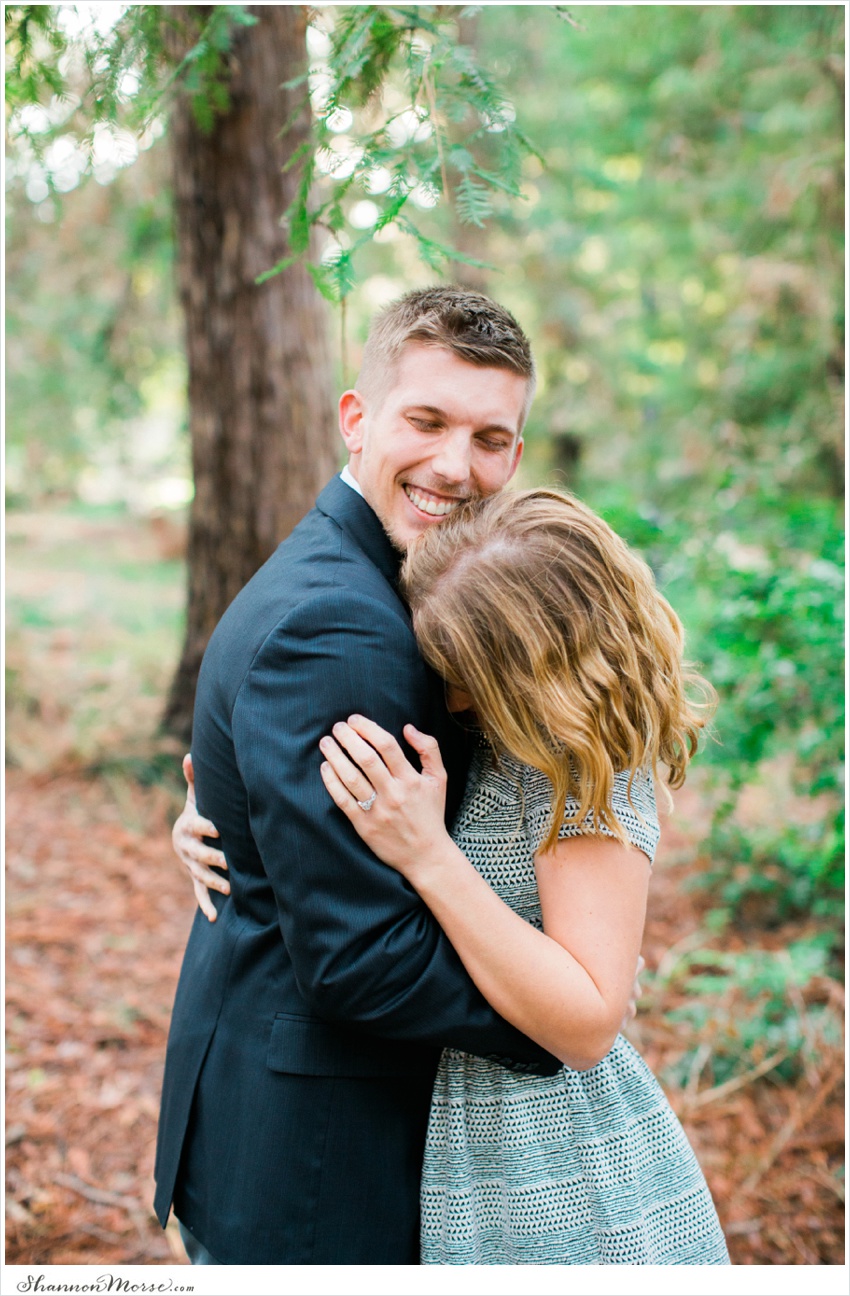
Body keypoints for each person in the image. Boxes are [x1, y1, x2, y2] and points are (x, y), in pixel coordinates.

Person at [154, 286, 566, 1266]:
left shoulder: (357, 576)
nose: (454, 467)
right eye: (424, 421)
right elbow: (356, 959)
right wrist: (562, 1011)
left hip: (273, 1117)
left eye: (490, 438)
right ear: (356, 418)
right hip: (317, 1162)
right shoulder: (345, 626)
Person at [315, 487, 730, 1264]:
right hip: (483, 1132)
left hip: (558, 1164)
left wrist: (429, 857)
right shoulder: (511, 738)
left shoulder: (585, 767)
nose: (449, 695)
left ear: (533, 666)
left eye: (462, 669)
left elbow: (586, 1022)